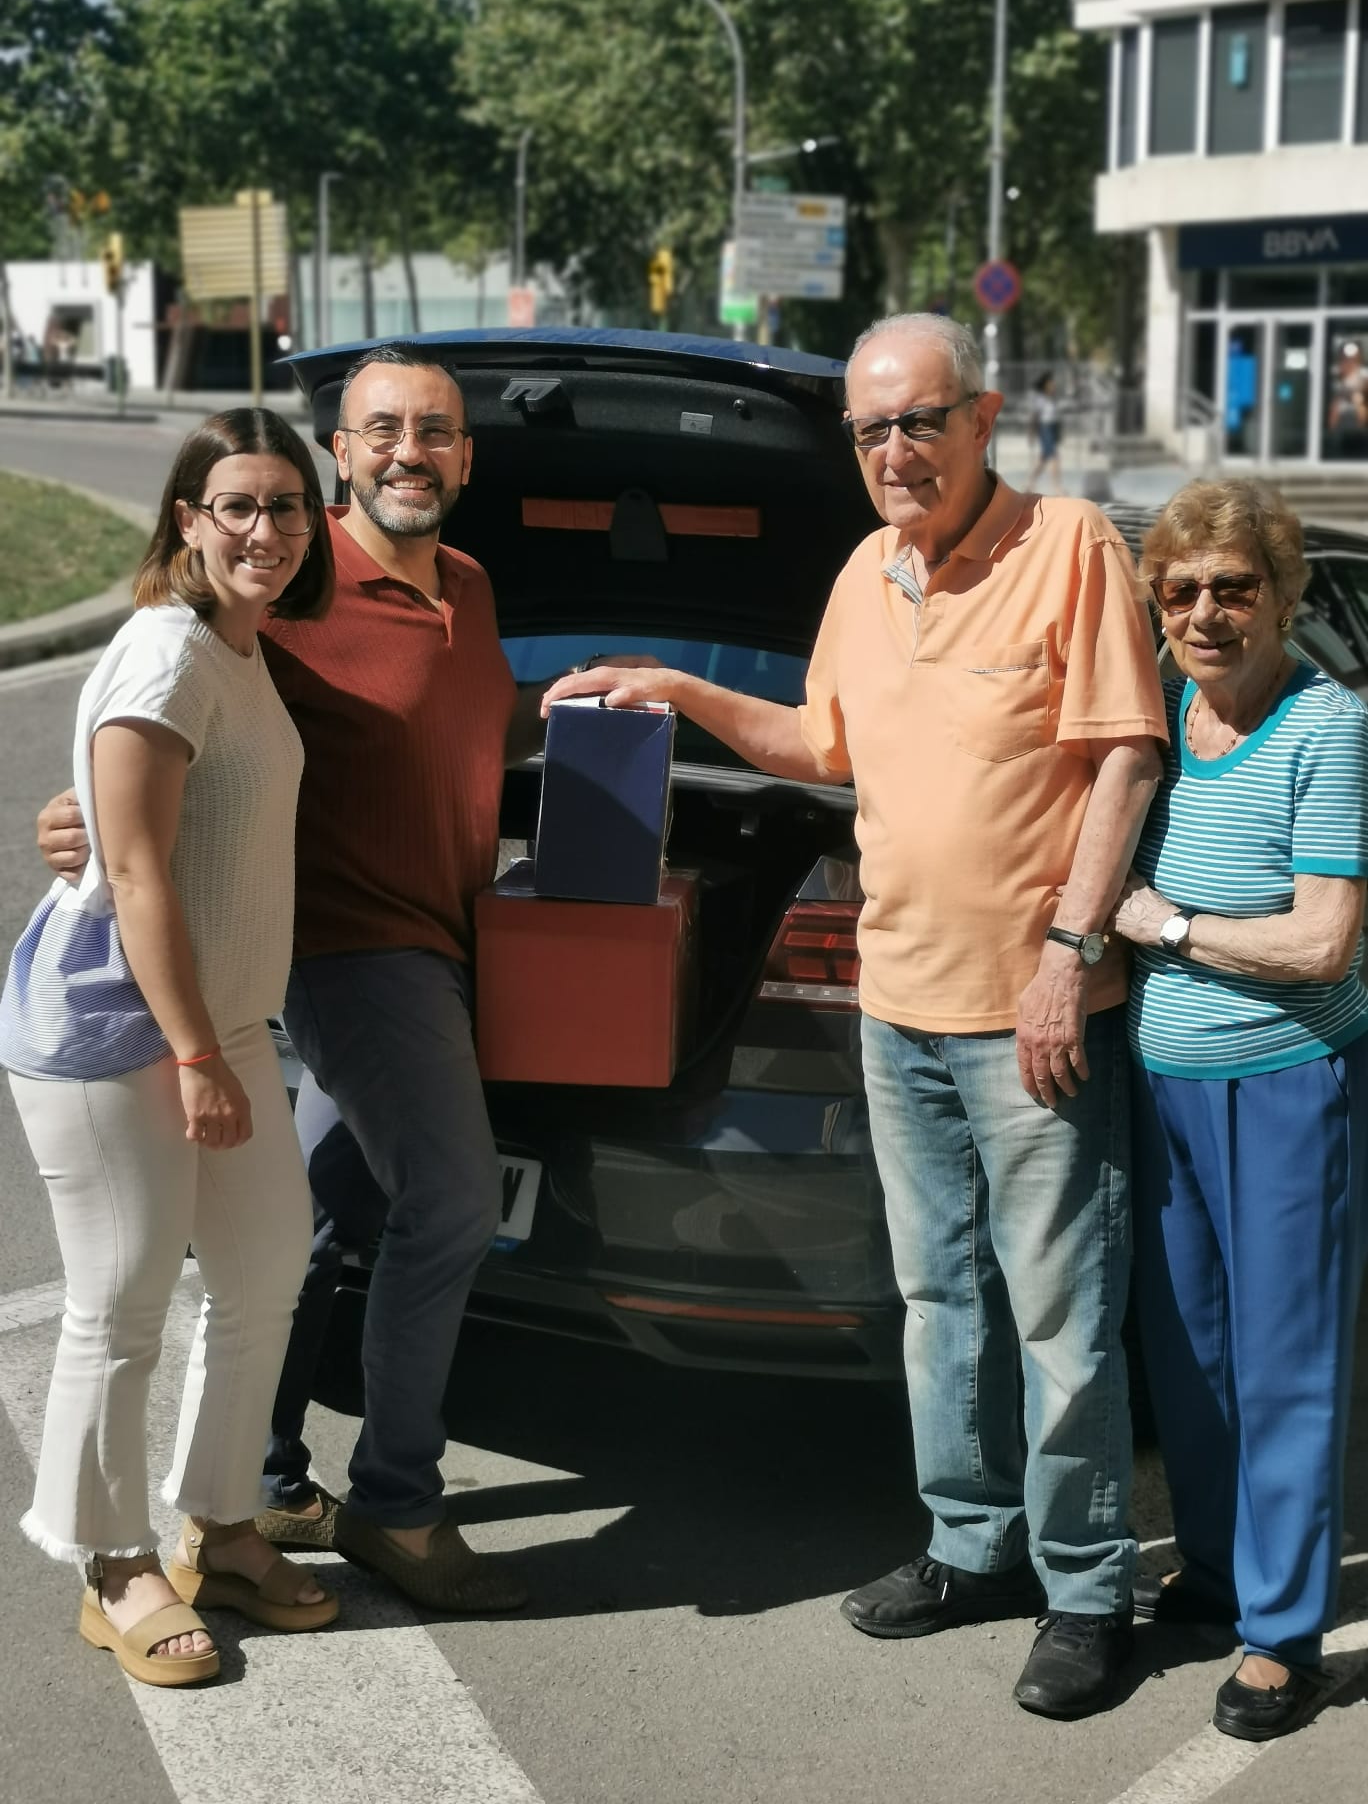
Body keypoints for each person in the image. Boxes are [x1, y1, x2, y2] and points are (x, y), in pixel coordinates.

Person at [543, 313, 1167, 1718]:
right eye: (873, 430)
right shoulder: (862, 571)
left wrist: (1070, 952)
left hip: (1033, 1015)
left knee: (1063, 1314)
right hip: (896, 1008)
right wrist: (684, 686)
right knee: (941, 1301)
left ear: (985, 414)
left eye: (920, 421)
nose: (896, 451)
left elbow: (1126, 759)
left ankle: (1086, 1589)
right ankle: (971, 1548)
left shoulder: (1069, 547)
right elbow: (821, 740)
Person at [37, 344, 636, 1611]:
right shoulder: (299, 593)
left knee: (297, 1235)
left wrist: (591, 702)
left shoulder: (466, 585)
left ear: (466, 457)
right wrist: (81, 814)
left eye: (435, 431)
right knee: (454, 1203)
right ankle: (398, 1506)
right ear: (343, 454)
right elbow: (172, 718)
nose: (410, 451)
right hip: (348, 951)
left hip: (445, 931)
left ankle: (252, 1481)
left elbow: (456, 718)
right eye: (382, 431)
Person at [3, 410, 340, 1687]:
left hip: (220, 1017)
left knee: (260, 1275)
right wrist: (196, 1055)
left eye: (288, 509)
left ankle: (224, 1528)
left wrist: (217, 1039)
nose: (267, 531)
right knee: (123, 1294)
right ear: (189, 522)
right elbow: (134, 869)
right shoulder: (166, 654)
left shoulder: (236, 648)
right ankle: (110, 1563)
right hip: (116, 1026)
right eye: (239, 507)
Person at [1109, 478, 1368, 1741]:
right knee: (1192, 1351)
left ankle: (1284, 1633)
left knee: (1286, 1365)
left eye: (1233, 588)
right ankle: (1215, 1568)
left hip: (1285, 1085)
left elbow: (1323, 945)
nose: (1206, 614)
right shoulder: (1158, 717)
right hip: (1164, 1084)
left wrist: (1172, 927)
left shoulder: (1331, 728)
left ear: (1281, 595)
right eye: (1182, 592)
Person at [1024, 370, 1063, 495]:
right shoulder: (1040, 398)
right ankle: (1056, 487)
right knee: (1054, 457)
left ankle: (1029, 483)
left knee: (1043, 459)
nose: (1054, 385)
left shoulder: (1052, 397)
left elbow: (1056, 416)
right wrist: (1031, 434)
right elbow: (1035, 417)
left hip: (1053, 427)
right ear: (1045, 384)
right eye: (1051, 383)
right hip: (1045, 428)